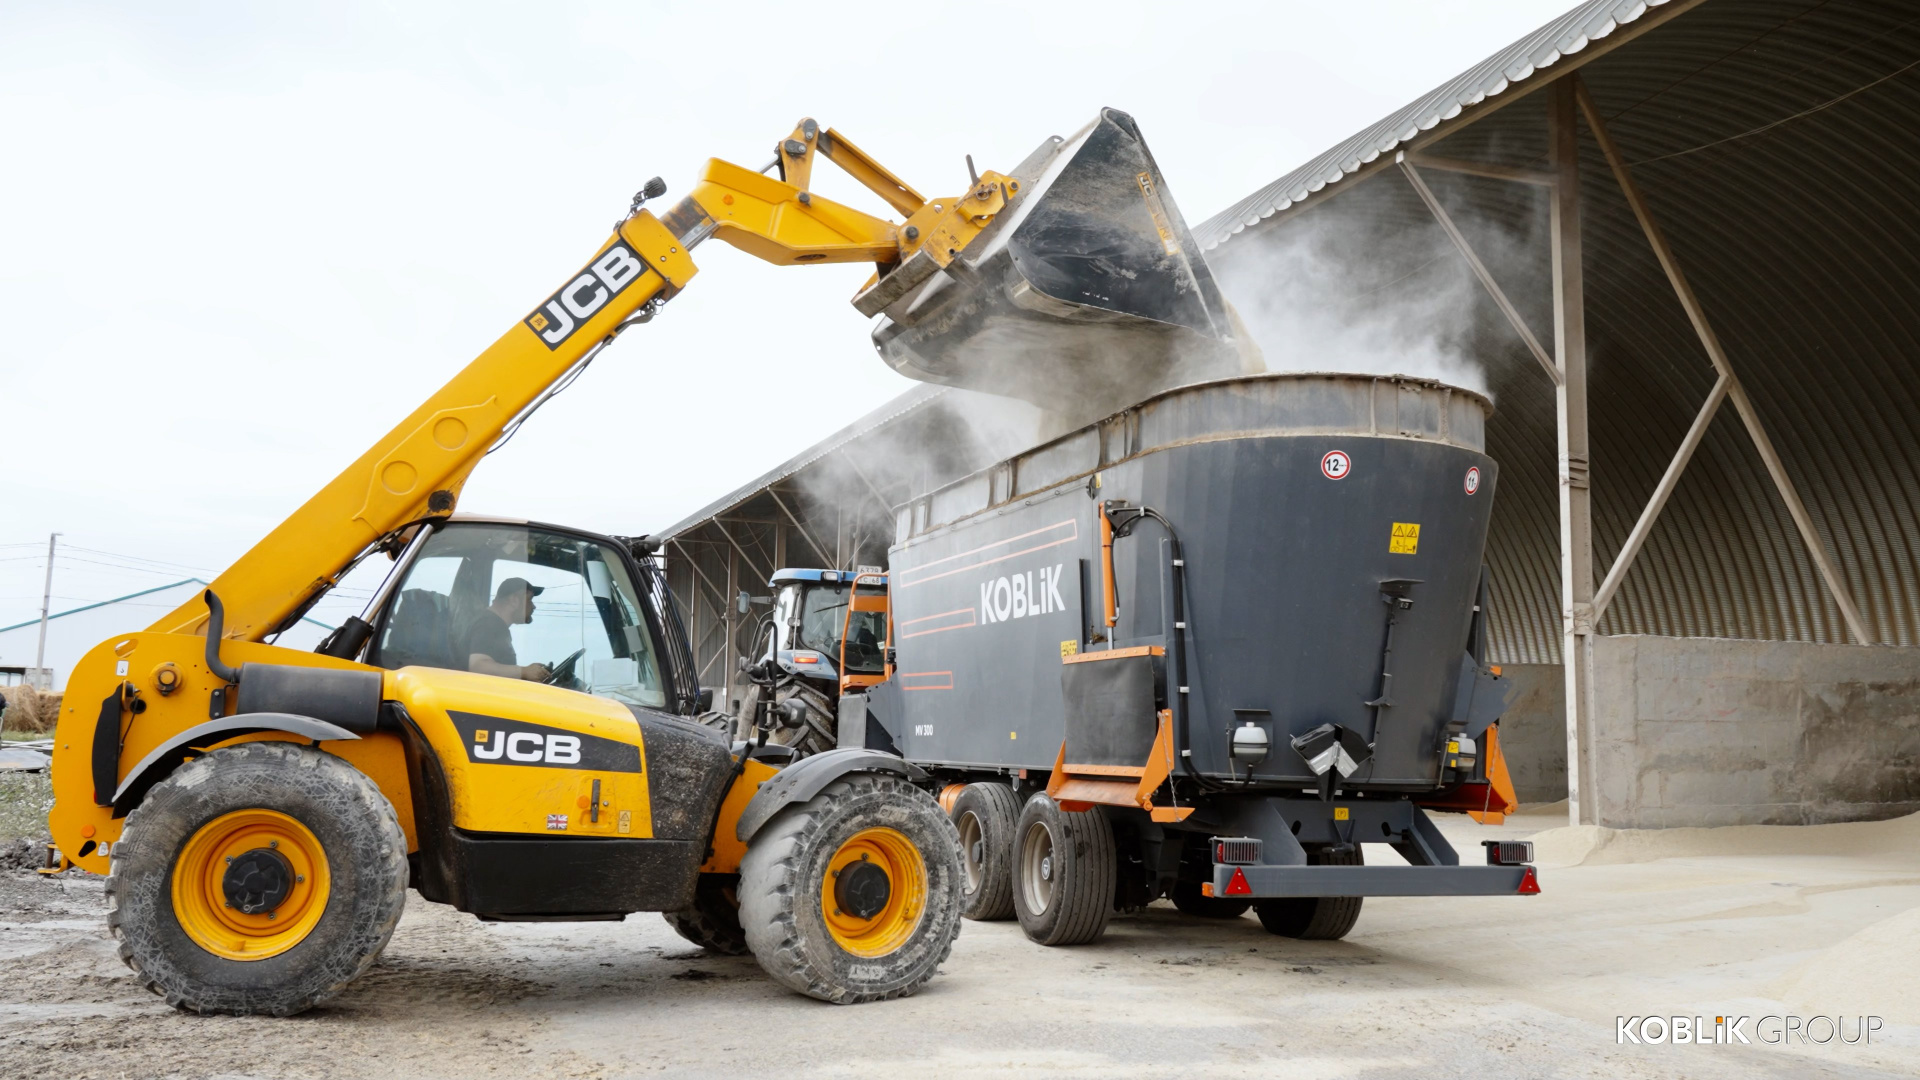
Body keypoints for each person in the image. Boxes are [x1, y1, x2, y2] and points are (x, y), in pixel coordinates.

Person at [463, 578, 552, 681]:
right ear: (514, 600)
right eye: (529, 599)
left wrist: (529, 674)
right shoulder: (488, 624)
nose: (533, 606)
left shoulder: (495, 625)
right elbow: (478, 666)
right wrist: (524, 672)